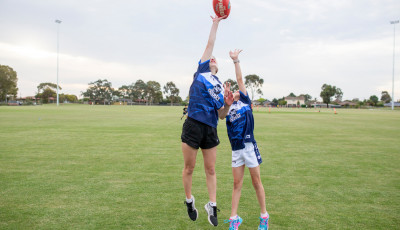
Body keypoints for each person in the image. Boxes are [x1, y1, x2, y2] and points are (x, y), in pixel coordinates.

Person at [181, 15, 233, 227]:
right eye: (211, 58)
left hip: (210, 128)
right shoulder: (201, 72)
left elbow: (221, 115)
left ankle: (211, 204)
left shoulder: (220, 86)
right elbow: (210, 44)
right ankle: (189, 200)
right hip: (193, 124)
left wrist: (228, 104)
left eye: (215, 60)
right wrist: (216, 22)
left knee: (211, 169)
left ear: (218, 68)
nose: (213, 59)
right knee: (189, 168)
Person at [224, 49, 269, 230]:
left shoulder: (244, 101)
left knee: (256, 181)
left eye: (236, 90)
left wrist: (236, 61)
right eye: (232, 91)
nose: (235, 91)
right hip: (236, 149)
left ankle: (264, 216)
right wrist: (224, 98)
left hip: (249, 146)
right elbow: (220, 112)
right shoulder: (227, 108)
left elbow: (240, 80)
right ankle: (234, 219)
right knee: (237, 183)